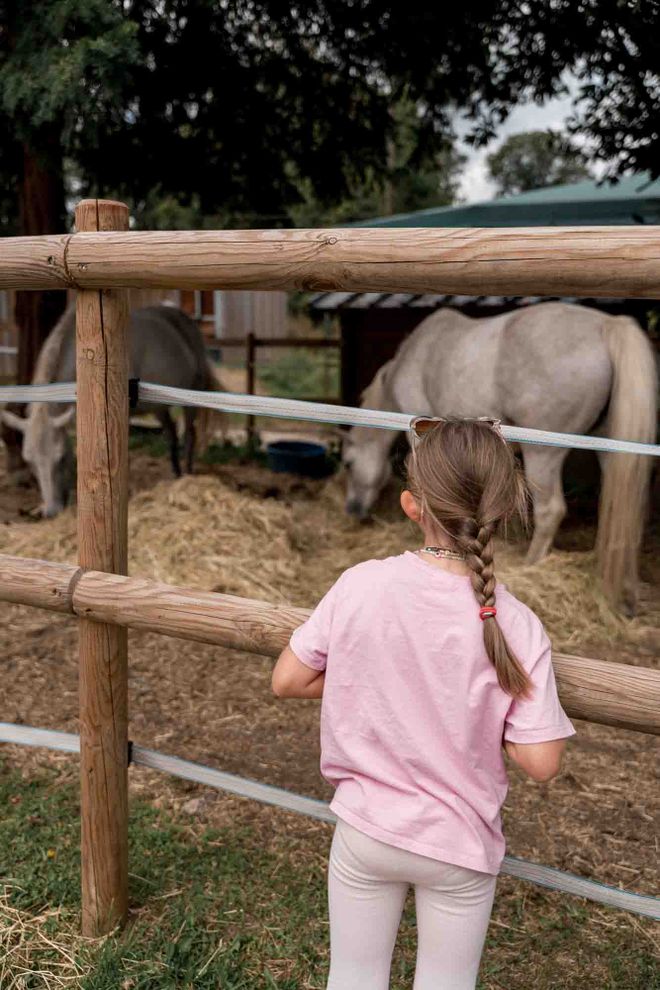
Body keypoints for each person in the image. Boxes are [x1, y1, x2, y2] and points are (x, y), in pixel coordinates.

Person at [271, 416, 576, 990]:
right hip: (459, 847)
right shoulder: (518, 625)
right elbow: (542, 762)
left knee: (353, 977)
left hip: (366, 829)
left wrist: (364, 684)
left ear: (411, 505)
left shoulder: (360, 583)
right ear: (508, 510)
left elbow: (288, 679)